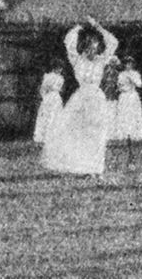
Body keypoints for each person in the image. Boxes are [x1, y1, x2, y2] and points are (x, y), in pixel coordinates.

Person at [41, 16, 118, 176]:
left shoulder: (101, 61)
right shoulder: (77, 60)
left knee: (97, 133)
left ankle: (95, 168)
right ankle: (82, 167)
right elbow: (68, 41)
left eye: (95, 47)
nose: (93, 50)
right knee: (78, 132)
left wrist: (97, 26)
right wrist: (80, 26)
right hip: (81, 97)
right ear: (85, 47)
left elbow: (113, 42)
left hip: (96, 98)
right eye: (90, 47)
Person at [114, 56, 142, 141]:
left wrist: (132, 79)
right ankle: (123, 134)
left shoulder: (135, 74)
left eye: (130, 63)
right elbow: (119, 85)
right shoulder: (121, 74)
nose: (128, 65)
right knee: (124, 115)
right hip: (124, 96)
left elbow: (140, 84)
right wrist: (121, 87)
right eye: (127, 63)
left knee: (133, 114)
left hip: (132, 96)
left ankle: (135, 134)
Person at [33, 59, 65, 143]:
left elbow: (60, 89)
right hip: (49, 97)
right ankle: (44, 136)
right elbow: (43, 89)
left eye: (60, 68)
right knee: (47, 115)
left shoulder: (61, 78)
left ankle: (54, 136)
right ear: (55, 67)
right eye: (58, 68)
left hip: (55, 97)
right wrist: (45, 97)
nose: (60, 70)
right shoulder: (48, 76)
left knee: (55, 114)